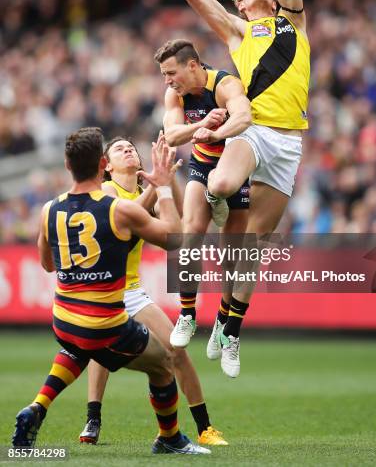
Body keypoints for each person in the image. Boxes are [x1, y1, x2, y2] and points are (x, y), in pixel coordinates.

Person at [12, 127, 209, 456]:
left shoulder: (49, 210)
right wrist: (161, 188)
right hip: (105, 319)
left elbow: (47, 265)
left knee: (79, 346)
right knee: (162, 364)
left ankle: (38, 407)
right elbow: (175, 238)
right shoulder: (116, 207)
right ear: (103, 163)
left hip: (63, 319)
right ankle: (170, 438)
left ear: (66, 164)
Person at [172, 0, 310, 377]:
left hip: (290, 143)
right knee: (226, 185)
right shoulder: (236, 30)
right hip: (253, 130)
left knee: (256, 245)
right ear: (240, 1)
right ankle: (212, 203)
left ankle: (228, 329)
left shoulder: (293, 20)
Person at [79, 135, 227, 446]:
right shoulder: (106, 190)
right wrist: (155, 187)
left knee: (177, 351)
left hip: (130, 290)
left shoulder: (147, 189)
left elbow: (179, 229)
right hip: (102, 289)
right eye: (119, 149)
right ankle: (93, 418)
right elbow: (127, 217)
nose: (128, 149)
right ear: (106, 166)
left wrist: (167, 182)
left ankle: (205, 427)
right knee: (99, 351)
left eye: (131, 146)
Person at [154, 39, 251, 375]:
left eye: (171, 72)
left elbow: (244, 118)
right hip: (202, 164)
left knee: (231, 258)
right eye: (164, 74)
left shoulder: (225, 84)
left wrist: (219, 130)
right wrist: (203, 125)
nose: (167, 80)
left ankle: (224, 325)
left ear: (192, 65)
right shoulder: (175, 95)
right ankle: (187, 315)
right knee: (190, 233)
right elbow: (174, 134)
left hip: (235, 168)